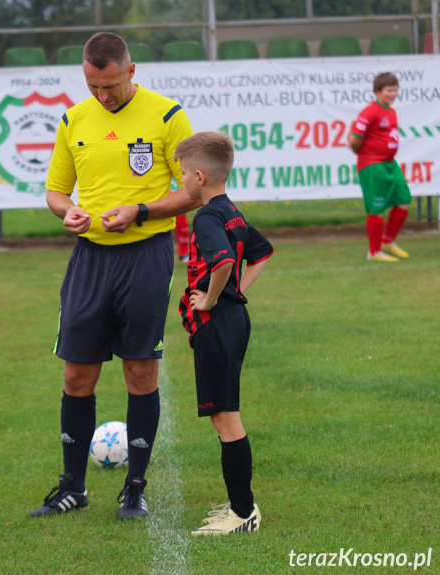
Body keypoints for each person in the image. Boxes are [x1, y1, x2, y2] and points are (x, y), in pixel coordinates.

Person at [28, 32, 199, 521]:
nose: (102, 96)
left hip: (145, 256)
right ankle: (72, 488)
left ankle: (135, 488)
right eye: (92, 85)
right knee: (76, 372)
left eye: (110, 86)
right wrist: (68, 212)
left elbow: (192, 191)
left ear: (131, 71)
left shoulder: (167, 115)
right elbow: (57, 191)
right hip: (90, 259)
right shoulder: (73, 119)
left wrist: (142, 209)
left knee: (140, 370)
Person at [175, 131, 273, 535]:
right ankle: (240, 506)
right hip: (232, 321)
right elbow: (262, 253)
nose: (179, 182)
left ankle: (243, 512)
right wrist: (234, 294)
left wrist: (214, 300)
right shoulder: (230, 210)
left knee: (225, 418)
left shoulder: (207, 217)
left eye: (181, 174)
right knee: (224, 413)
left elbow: (222, 262)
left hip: (218, 324)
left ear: (199, 176)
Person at [348, 72, 411, 262]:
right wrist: (365, 153)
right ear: (377, 91)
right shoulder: (370, 111)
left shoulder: (391, 111)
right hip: (373, 164)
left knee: (404, 201)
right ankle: (374, 252)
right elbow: (353, 140)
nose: (393, 94)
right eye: (389, 90)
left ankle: (387, 241)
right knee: (376, 209)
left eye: (395, 90)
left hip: (390, 163)